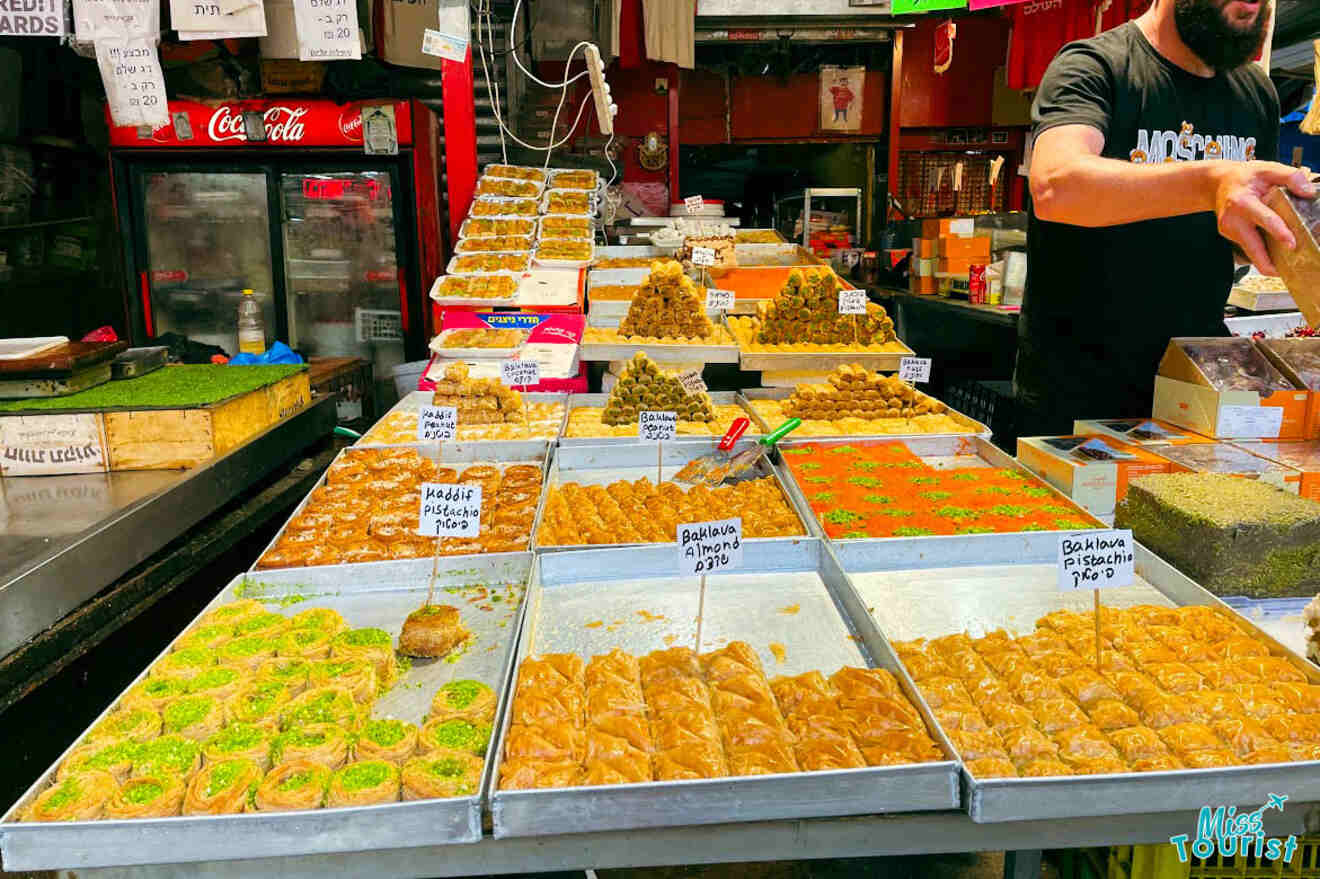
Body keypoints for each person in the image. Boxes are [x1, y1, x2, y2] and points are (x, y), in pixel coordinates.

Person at [1013, 0, 1315, 437]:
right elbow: (1055, 187)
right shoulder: (1096, 66)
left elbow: (1239, 232)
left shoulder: (1255, 91)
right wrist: (1212, 181)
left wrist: (1301, 231)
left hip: (1203, 381)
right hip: (1080, 391)